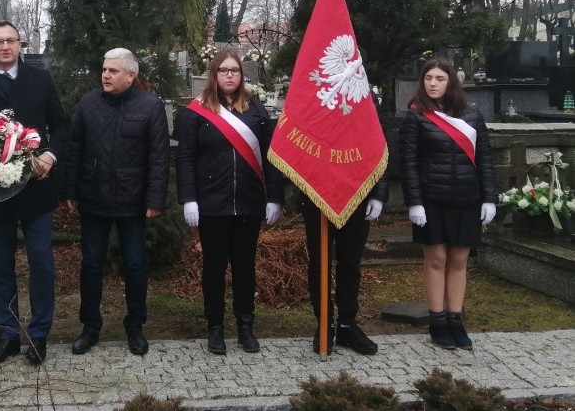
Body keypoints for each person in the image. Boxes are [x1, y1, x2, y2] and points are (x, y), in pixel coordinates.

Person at [0, 20, 69, 366]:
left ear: (20, 44)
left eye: (11, 40)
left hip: (36, 188)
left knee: (41, 263)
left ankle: (38, 335)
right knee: (1, 267)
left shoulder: (41, 79)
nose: (5, 46)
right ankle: (7, 334)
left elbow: (62, 126)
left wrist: (50, 156)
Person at [176, 50, 284, 355]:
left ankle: (245, 327)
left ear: (241, 75)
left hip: (249, 203)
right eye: (223, 70)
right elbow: (185, 158)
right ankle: (215, 327)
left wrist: (274, 197)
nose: (229, 75)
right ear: (214, 74)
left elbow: (270, 156)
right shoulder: (196, 113)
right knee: (213, 266)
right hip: (211, 204)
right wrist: (189, 200)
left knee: (244, 266)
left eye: (234, 71)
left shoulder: (256, 111)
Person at [66, 48, 169, 356]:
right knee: (91, 265)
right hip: (94, 197)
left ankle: (135, 327)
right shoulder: (88, 103)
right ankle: (90, 327)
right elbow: (75, 149)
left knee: (136, 265)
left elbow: (159, 157)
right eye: (104, 69)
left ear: (131, 76)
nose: (105, 75)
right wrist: (70, 192)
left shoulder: (151, 106)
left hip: (133, 202)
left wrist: (154, 199)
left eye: (113, 71)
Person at [399, 58, 496, 351]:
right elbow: (409, 163)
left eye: (439, 78)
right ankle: (437, 321)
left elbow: (485, 160)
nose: (433, 83)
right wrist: (414, 203)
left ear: (450, 81)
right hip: (432, 200)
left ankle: (456, 319)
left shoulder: (472, 115)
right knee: (437, 259)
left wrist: (490, 198)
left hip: (467, 199)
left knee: (459, 260)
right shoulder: (416, 116)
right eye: (428, 78)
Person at [300, 177, 387, 355]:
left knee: (350, 262)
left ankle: (347, 324)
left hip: (356, 192)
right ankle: (325, 324)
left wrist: (378, 194)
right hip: (317, 193)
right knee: (319, 263)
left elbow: (379, 152)